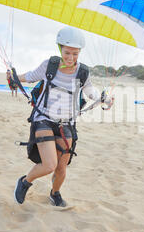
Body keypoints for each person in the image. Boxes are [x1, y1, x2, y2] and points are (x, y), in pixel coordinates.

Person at [13, 27, 111, 207]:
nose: (71, 58)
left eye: (75, 54)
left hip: (67, 122)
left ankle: (55, 193)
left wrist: (102, 98)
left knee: (61, 169)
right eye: (67, 53)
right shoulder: (49, 65)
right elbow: (30, 76)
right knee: (49, 165)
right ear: (60, 49)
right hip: (43, 119)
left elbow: (89, 90)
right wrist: (13, 78)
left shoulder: (82, 72)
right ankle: (25, 182)